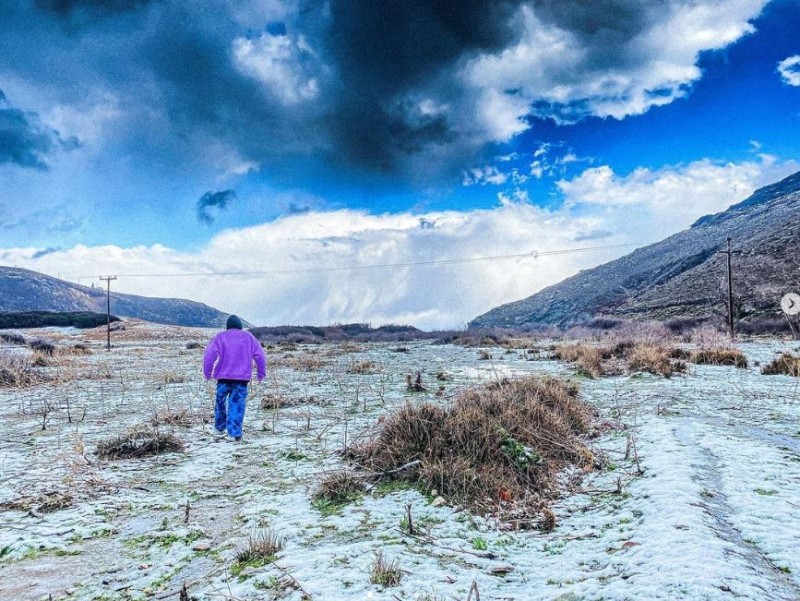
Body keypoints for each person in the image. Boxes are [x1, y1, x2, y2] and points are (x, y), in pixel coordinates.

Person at [203, 315, 266, 441]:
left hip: (223, 378)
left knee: (220, 402)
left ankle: (219, 428)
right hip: (241, 379)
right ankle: (235, 433)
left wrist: (208, 373)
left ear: (227, 326)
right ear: (240, 326)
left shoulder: (220, 337)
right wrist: (261, 373)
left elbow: (208, 356)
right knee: (237, 404)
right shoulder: (249, 337)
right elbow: (261, 356)